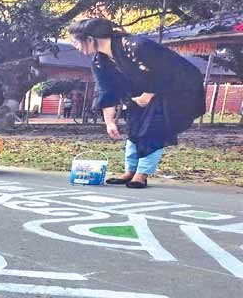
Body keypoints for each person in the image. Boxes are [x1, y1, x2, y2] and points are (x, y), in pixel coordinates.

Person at [69, 18, 205, 189]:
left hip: (176, 90)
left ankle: (142, 174)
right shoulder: (99, 61)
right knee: (134, 127)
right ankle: (130, 171)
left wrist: (147, 95)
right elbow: (106, 90)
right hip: (138, 95)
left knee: (153, 128)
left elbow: (171, 72)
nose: (75, 46)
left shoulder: (137, 45)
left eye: (75, 41)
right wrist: (109, 122)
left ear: (90, 39)